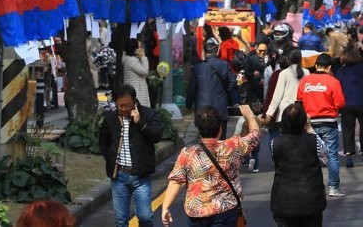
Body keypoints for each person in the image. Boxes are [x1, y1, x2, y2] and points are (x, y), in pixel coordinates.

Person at [161, 105, 259, 227]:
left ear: (199, 130)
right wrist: (249, 116)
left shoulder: (188, 153)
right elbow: (255, 135)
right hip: (226, 210)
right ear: (220, 129)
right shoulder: (233, 146)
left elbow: (175, 182)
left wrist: (165, 207)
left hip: (197, 213)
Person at [99, 84, 164, 227]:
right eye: (120, 105)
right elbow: (103, 142)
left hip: (140, 176)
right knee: (121, 220)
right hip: (119, 176)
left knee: (145, 217)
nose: (123, 109)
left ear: (134, 101)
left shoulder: (148, 114)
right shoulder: (110, 118)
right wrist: (110, 158)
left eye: (127, 105)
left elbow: (157, 136)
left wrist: (140, 122)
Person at [270, 102, 328, 227]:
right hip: (311, 199)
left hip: (283, 201)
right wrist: (309, 128)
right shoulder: (313, 140)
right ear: (303, 121)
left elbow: (276, 159)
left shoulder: (275, 142)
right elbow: (325, 152)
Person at [297, 53, 347, 198]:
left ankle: (311, 187)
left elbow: (299, 101)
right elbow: (340, 103)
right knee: (331, 155)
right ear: (330, 66)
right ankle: (333, 187)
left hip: (308, 123)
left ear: (316, 65)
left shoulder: (305, 81)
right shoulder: (333, 81)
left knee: (309, 156)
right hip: (328, 122)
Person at [187, 39, 236, 120]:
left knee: (204, 131)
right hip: (220, 105)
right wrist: (224, 92)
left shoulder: (197, 67)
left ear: (205, 53)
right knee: (221, 131)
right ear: (217, 52)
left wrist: (188, 104)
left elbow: (192, 88)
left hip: (202, 107)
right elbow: (233, 82)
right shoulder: (224, 64)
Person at [122, 38, 151, 108]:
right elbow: (144, 71)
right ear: (134, 49)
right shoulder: (131, 61)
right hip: (137, 92)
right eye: (139, 47)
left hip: (137, 91)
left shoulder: (132, 59)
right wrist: (143, 57)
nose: (142, 50)